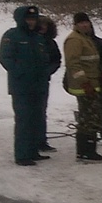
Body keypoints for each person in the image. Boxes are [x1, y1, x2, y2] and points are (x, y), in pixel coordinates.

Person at [0, 5, 53, 166]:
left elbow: (45, 59)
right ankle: (22, 154)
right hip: (22, 86)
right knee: (24, 120)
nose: (31, 22)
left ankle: (33, 151)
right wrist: (22, 72)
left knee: (37, 119)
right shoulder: (12, 36)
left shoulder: (38, 37)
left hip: (39, 85)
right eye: (28, 19)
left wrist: (44, 73)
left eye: (34, 19)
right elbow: (6, 59)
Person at [62, 12, 102, 162]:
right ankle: (86, 152)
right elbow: (73, 64)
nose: (85, 25)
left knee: (90, 117)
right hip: (84, 86)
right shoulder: (74, 40)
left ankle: (86, 151)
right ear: (75, 25)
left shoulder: (86, 38)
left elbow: (92, 62)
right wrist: (84, 82)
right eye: (81, 23)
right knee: (89, 119)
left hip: (93, 84)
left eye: (86, 22)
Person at [36, 16, 62, 153]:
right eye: (41, 24)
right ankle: (32, 140)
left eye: (46, 25)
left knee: (41, 111)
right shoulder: (31, 39)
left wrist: (47, 72)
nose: (43, 27)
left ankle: (41, 140)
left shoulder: (50, 43)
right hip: (27, 81)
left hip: (43, 80)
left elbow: (56, 60)